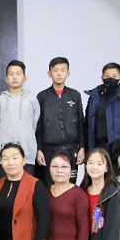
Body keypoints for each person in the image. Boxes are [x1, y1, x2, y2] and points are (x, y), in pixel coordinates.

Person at [36, 56, 86, 186]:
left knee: (70, 184)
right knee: (50, 185)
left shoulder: (75, 95)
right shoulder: (42, 96)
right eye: (55, 70)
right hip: (49, 149)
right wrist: (39, 149)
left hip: (71, 148)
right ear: (49, 73)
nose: (59, 73)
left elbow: (81, 124)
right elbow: (38, 126)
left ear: (68, 73)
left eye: (63, 70)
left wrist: (82, 147)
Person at [0, 60, 40, 176]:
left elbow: (35, 125)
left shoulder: (32, 100)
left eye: (18, 74)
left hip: (27, 155)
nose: (14, 77)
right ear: (6, 78)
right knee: (5, 186)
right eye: (11, 74)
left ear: (24, 78)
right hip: (5, 156)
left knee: (27, 186)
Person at [84, 62, 120, 152]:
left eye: (114, 76)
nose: (110, 79)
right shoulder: (94, 97)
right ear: (102, 78)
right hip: (98, 147)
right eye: (107, 76)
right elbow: (88, 124)